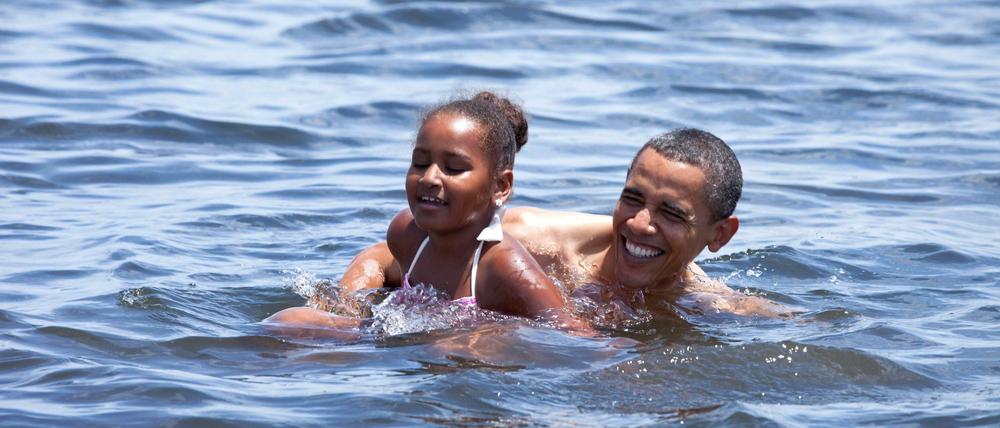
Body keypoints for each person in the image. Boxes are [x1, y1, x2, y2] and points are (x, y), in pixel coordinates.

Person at [334, 128, 786, 320]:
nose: (640, 225)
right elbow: (386, 255)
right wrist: (351, 310)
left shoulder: (709, 304)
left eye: (671, 213)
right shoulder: (536, 240)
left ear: (719, 236)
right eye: (632, 199)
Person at [266, 92, 579, 330]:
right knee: (290, 322)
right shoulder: (408, 234)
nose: (430, 178)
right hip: (407, 360)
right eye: (419, 163)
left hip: (474, 367)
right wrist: (348, 304)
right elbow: (375, 265)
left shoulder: (503, 266)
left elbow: (573, 334)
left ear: (500, 186)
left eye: (453, 168)